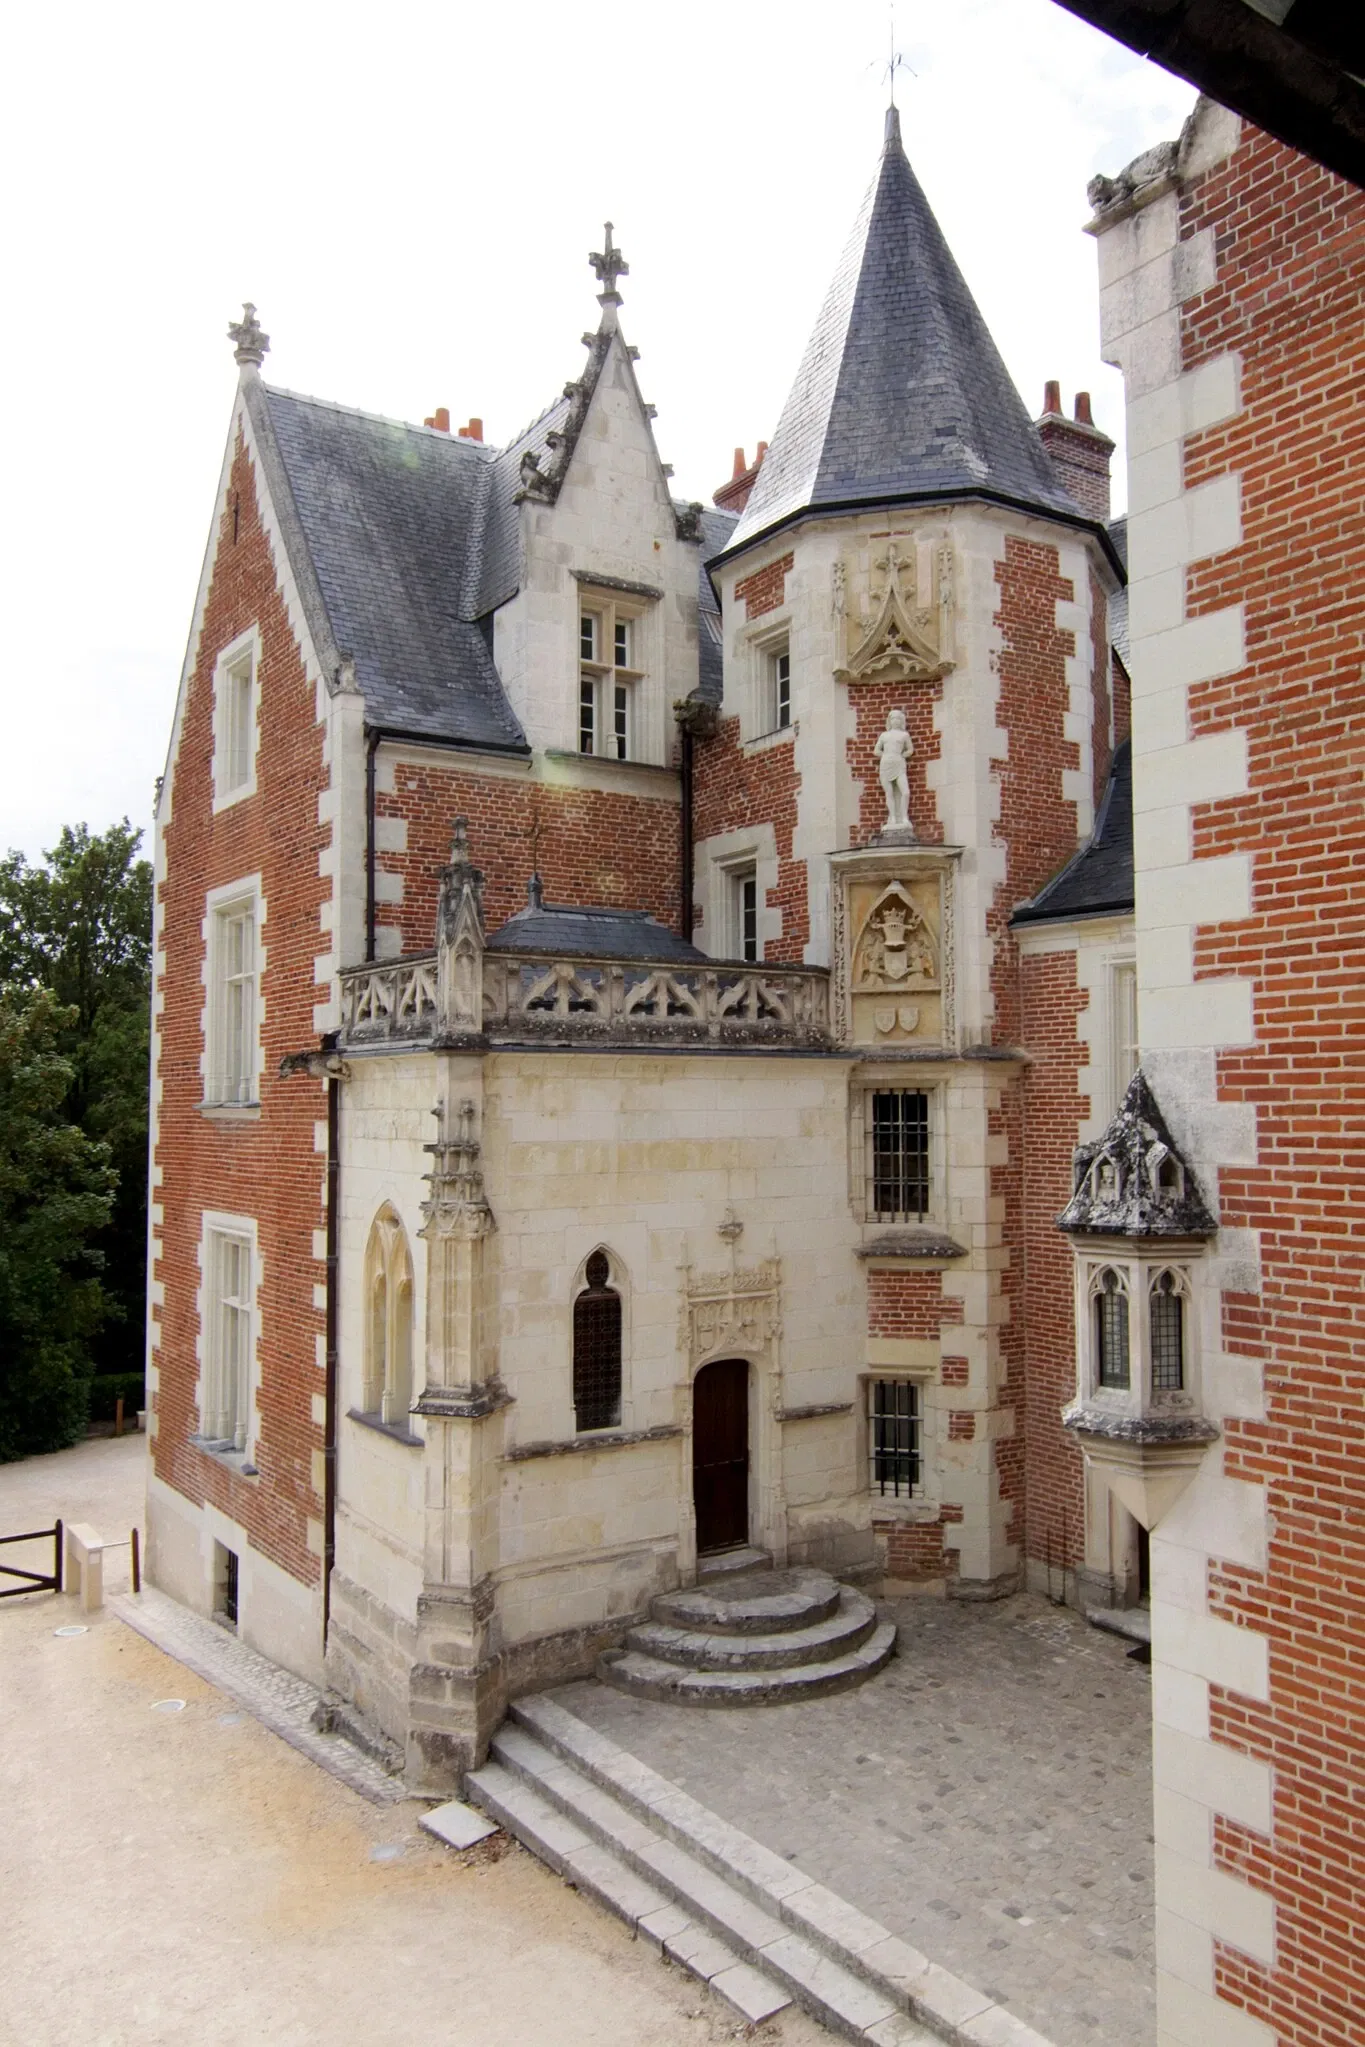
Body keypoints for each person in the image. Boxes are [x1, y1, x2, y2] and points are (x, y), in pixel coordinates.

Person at [874, 708, 913, 830]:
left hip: (899, 764)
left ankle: (904, 817)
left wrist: (902, 755)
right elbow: (876, 750)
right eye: (893, 718)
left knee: (905, 792)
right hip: (886, 764)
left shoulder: (904, 735)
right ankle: (893, 817)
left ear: (901, 721)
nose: (895, 720)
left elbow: (910, 750)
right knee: (889, 793)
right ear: (889, 720)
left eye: (898, 718)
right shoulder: (884, 735)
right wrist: (885, 755)